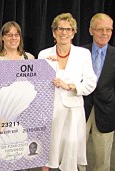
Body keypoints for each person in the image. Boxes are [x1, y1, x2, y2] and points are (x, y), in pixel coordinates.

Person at [38, 13, 97, 171]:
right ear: (53, 32)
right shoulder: (44, 55)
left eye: (68, 29)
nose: (64, 32)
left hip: (73, 112)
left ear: (73, 32)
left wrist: (70, 86)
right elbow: (38, 87)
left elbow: (91, 83)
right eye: (60, 29)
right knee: (48, 153)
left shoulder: (83, 54)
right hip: (50, 112)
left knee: (70, 153)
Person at [82, 13, 115, 171]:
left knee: (103, 160)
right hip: (80, 109)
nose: (105, 33)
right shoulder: (80, 53)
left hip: (107, 111)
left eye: (109, 29)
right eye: (100, 29)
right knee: (75, 154)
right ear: (91, 31)